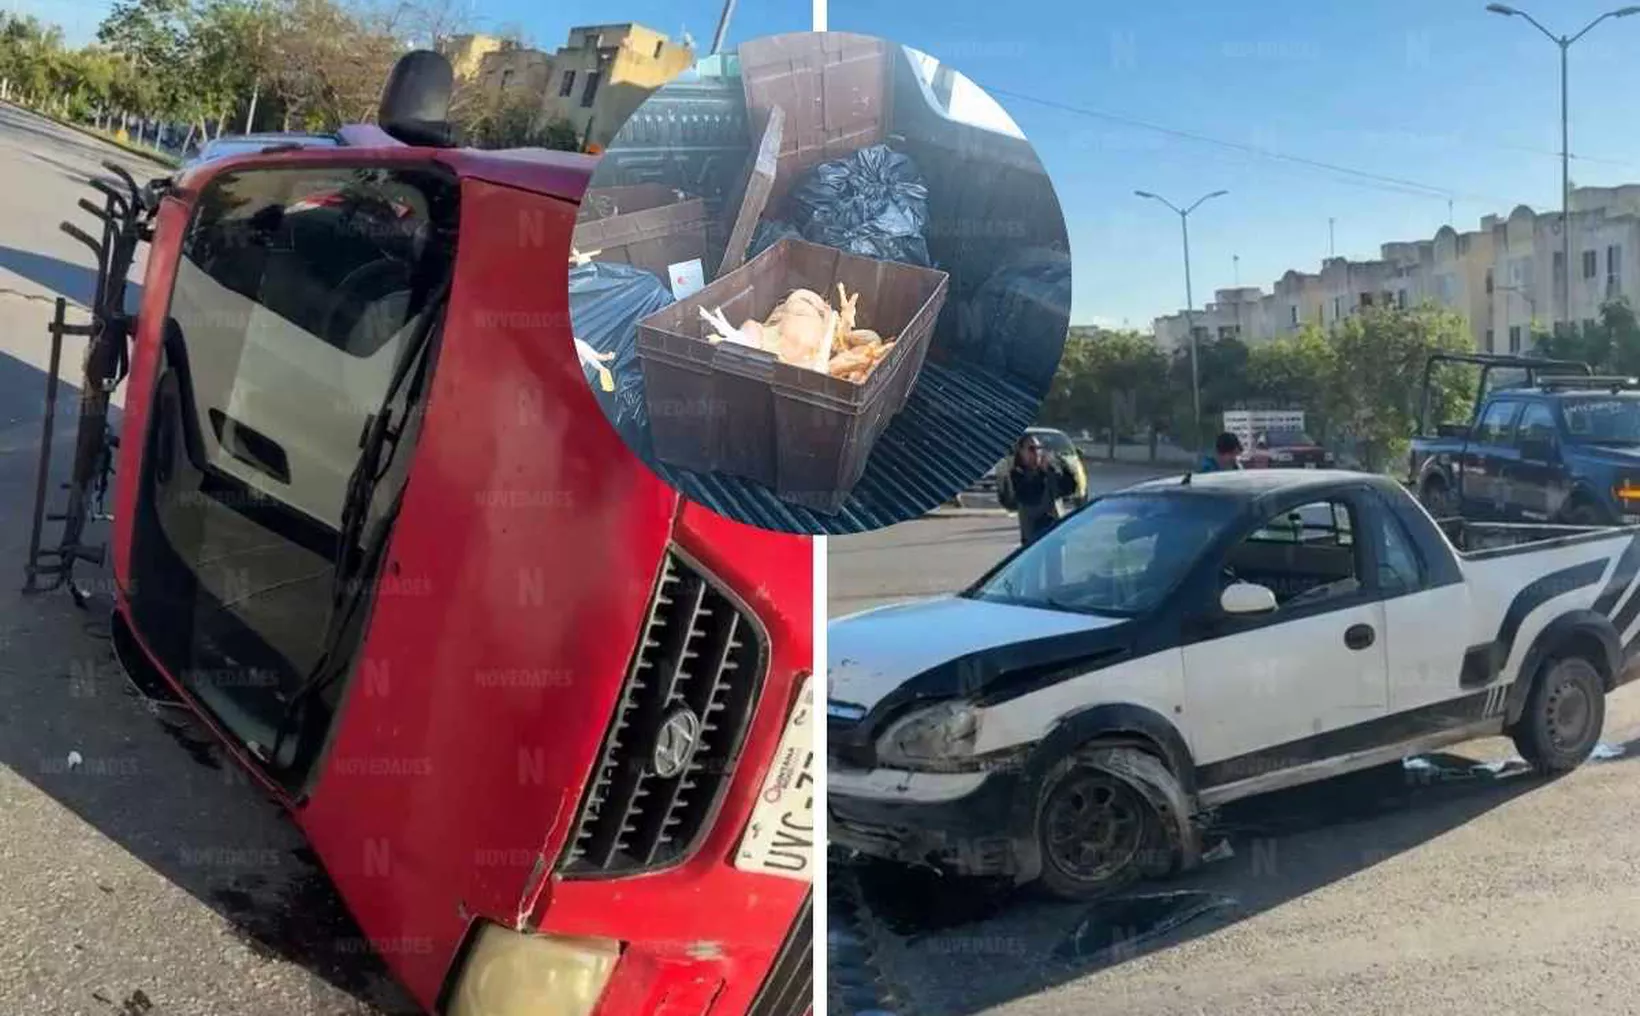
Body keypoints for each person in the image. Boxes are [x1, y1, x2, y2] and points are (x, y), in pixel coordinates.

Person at [998, 434, 1077, 546]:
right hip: (1032, 539)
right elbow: (1030, 498)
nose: (1036, 453)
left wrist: (1062, 465)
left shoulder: (1050, 470)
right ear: (1021, 452)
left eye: (1039, 448)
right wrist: (1042, 474)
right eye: (1031, 449)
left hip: (1055, 534)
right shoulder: (1017, 475)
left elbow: (1069, 489)